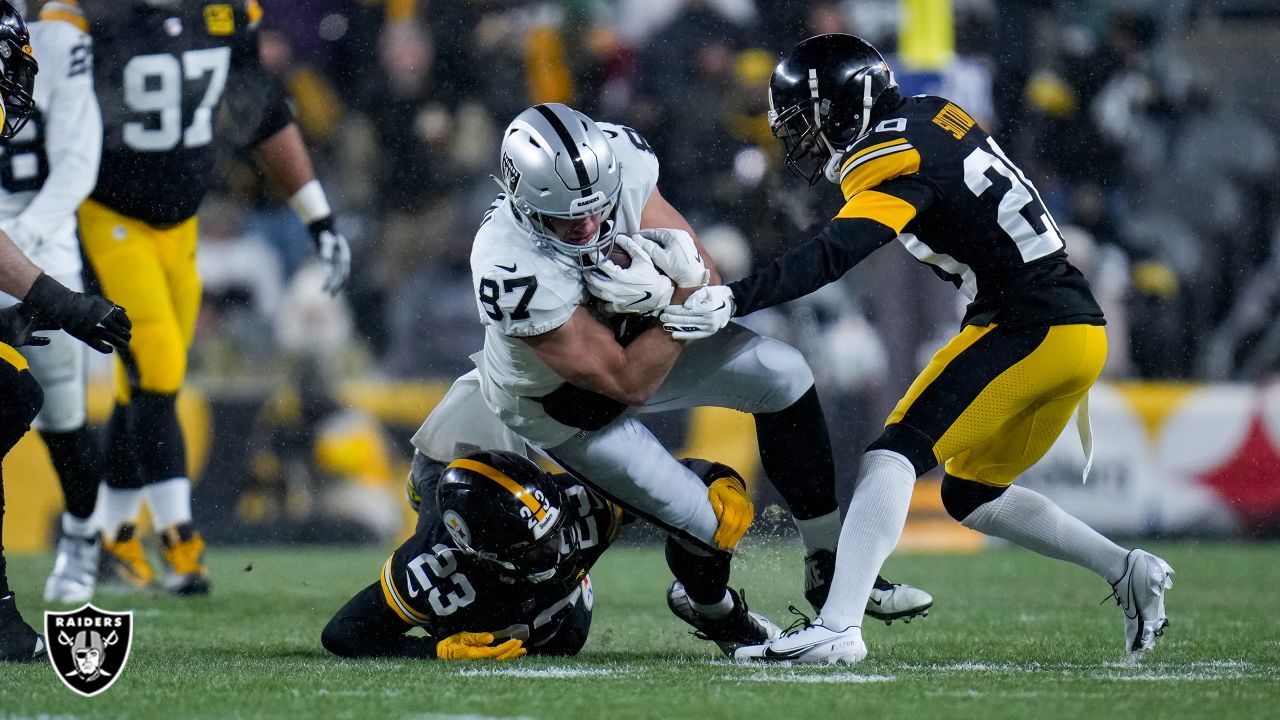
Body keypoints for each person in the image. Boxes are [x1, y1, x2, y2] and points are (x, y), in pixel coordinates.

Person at [658, 34, 1173, 664]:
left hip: (1026, 323)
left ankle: (840, 628)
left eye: (805, 125)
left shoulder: (892, 158)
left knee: (891, 454)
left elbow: (835, 253)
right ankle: (1127, 570)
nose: (802, 143)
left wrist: (737, 297)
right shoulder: (930, 115)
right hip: (1070, 328)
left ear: (842, 110)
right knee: (971, 492)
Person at [459, 102, 931, 656]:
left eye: (598, 208)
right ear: (524, 201)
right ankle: (712, 609)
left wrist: (682, 287)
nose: (590, 225)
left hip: (641, 339)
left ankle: (827, 564)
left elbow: (704, 272)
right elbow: (624, 382)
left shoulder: (625, 164)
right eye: (569, 218)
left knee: (785, 373)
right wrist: (675, 299)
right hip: (566, 402)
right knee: (713, 524)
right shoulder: (507, 265)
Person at [52, 0, 351, 595]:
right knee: (159, 368)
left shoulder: (226, 14)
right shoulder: (90, 17)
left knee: (144, 388)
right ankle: (180, 542)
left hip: (180, 224)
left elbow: (263, 112)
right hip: (107, 216)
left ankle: (110, 539)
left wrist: (318, 217)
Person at [0, 0, 131, 661]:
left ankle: (82, 533)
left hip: (34, 231)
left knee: (51, 403)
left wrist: (22, 252)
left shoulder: (54, 31)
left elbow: (77, 155)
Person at [322, 448, 630, 660]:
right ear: (483, 551)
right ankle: (429, 479)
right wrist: (434, 651)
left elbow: (676, 488)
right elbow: (344, 632)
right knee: (435, 474)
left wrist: (681, 570)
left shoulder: (581, 501)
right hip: (479, 603)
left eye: (556, 534)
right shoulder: (434, 563)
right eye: (533, 549)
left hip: (562, 629)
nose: (557, 550)